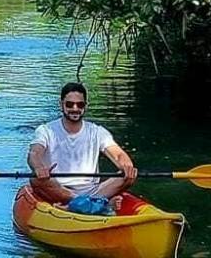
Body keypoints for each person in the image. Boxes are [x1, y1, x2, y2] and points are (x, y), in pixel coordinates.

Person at [27, 81, 136, 214]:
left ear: (85, 106)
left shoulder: (97, 131)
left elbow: (118, 154)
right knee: (35, 179)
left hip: (93, 189)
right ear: (61, 105)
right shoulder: (45, 130)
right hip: (59, 189)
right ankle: (95, 205)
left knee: (129, 176)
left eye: (80, 104)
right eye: (69, 104)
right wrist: (38, 167)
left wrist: (127, 166)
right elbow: (35, 153)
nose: (75, 108)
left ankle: (79, 206)